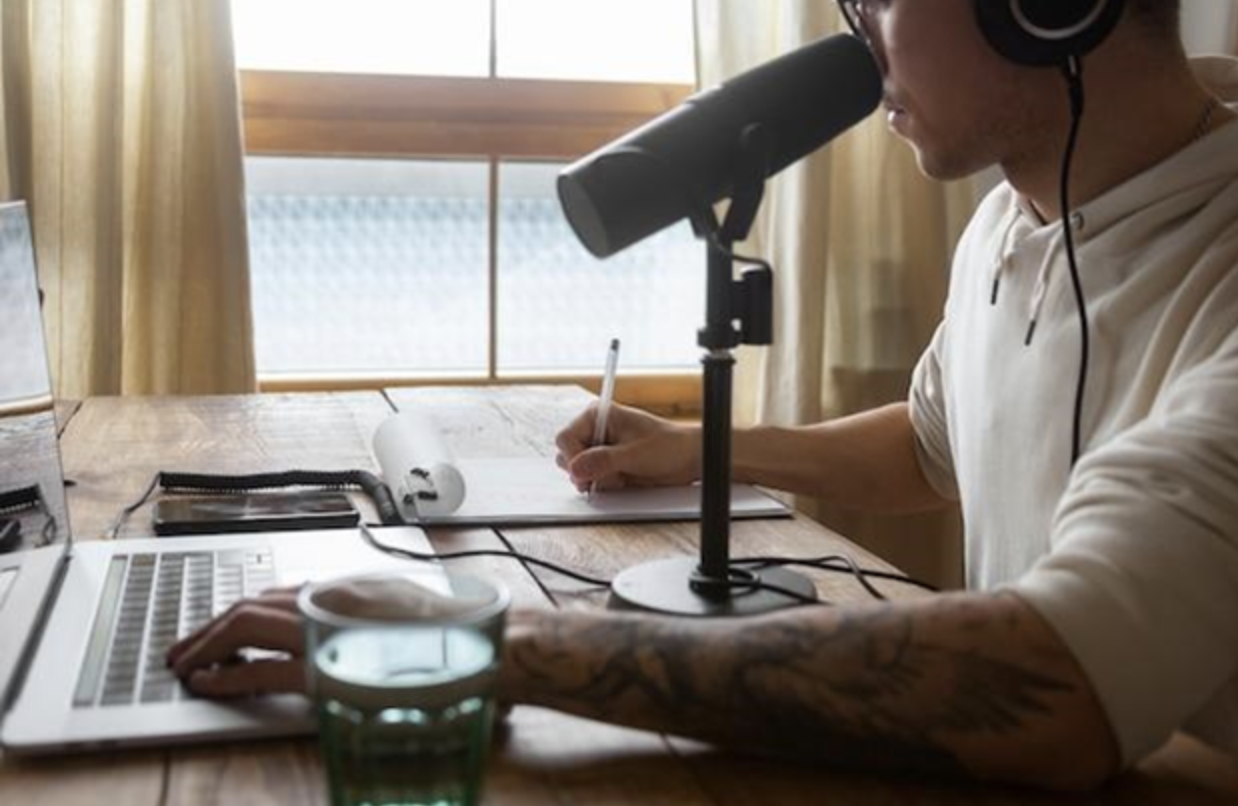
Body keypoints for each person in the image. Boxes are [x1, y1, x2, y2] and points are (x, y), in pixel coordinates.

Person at [167, 0, 1238, 791]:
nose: (854, 32)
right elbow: (932, 441)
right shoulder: (1016, 210)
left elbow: (1054, 682)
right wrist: (699, 447)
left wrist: (479, 641)